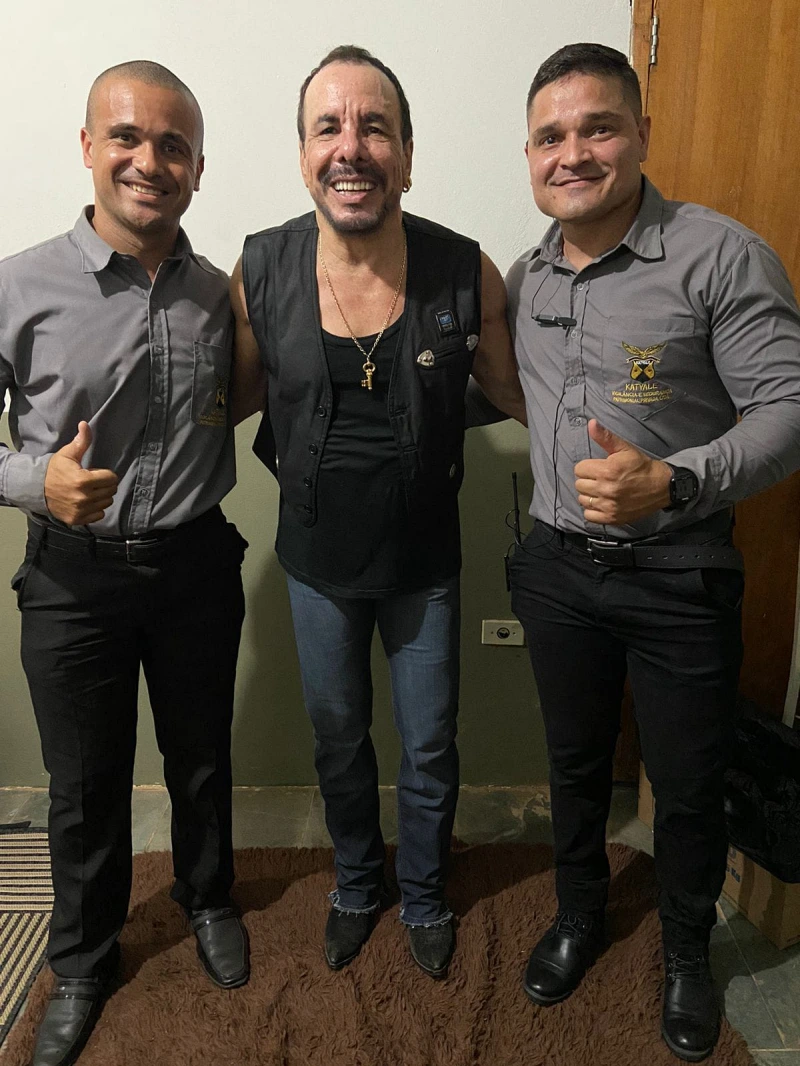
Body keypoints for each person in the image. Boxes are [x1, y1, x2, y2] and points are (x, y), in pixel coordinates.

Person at [506, 42, 800, 1063]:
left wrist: (673, 480)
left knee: (687, 780)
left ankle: (684, 950)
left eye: (597, 128)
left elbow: (788, 410)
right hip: (556, 571)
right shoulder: (525, 276)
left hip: (678, 572)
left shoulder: (719, 255)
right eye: (549, 136)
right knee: (574, 763)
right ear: (529, 155)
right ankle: (578, 913)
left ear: (639, 133)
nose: (573, 153)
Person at [231, 45, 525, 980]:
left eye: (374, 128)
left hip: (425, 564)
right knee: (338, 738)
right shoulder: (261, 268)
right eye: (329, 127)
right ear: (303, 155)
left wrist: (647, 435)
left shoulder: (462, 270)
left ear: (406, 152)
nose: (351, 147)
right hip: (315, 563)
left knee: (430, 742)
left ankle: (427, 893)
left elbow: (522, 395)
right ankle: (358, 884)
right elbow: (219, 401)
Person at [0, 61, 250, 1066]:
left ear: (198, 168)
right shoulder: (18, 285)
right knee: (84, 782)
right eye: (127, 138)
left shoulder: (219, 294)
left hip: (196, 565)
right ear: (88, 147)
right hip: (73, 577)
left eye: (173, 146)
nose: (150, 161)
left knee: (202, 756)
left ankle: (209, 897)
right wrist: (36, 481)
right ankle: (81, 960)